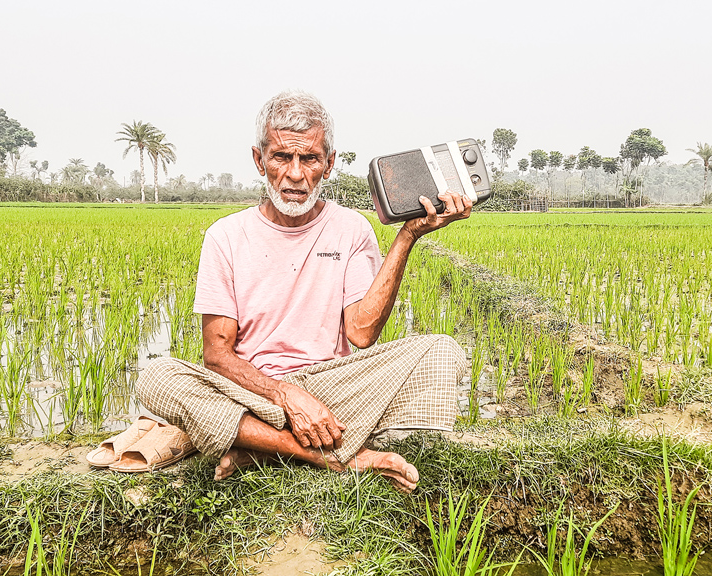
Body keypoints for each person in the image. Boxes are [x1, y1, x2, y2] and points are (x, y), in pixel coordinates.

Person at [137, 90, 471, 492]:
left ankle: (255, 446)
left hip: (332, 387)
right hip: (254, 391)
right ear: (260, 161)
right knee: (158, 376)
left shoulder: (352, 230)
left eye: (309, 158)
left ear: (328, 165)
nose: (295, 174)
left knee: (441, 351)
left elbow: (361, 334)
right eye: (281, 157)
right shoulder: (225, 236)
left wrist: (407, 236)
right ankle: (324, 455)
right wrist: (286, 394)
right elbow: (217, 356)